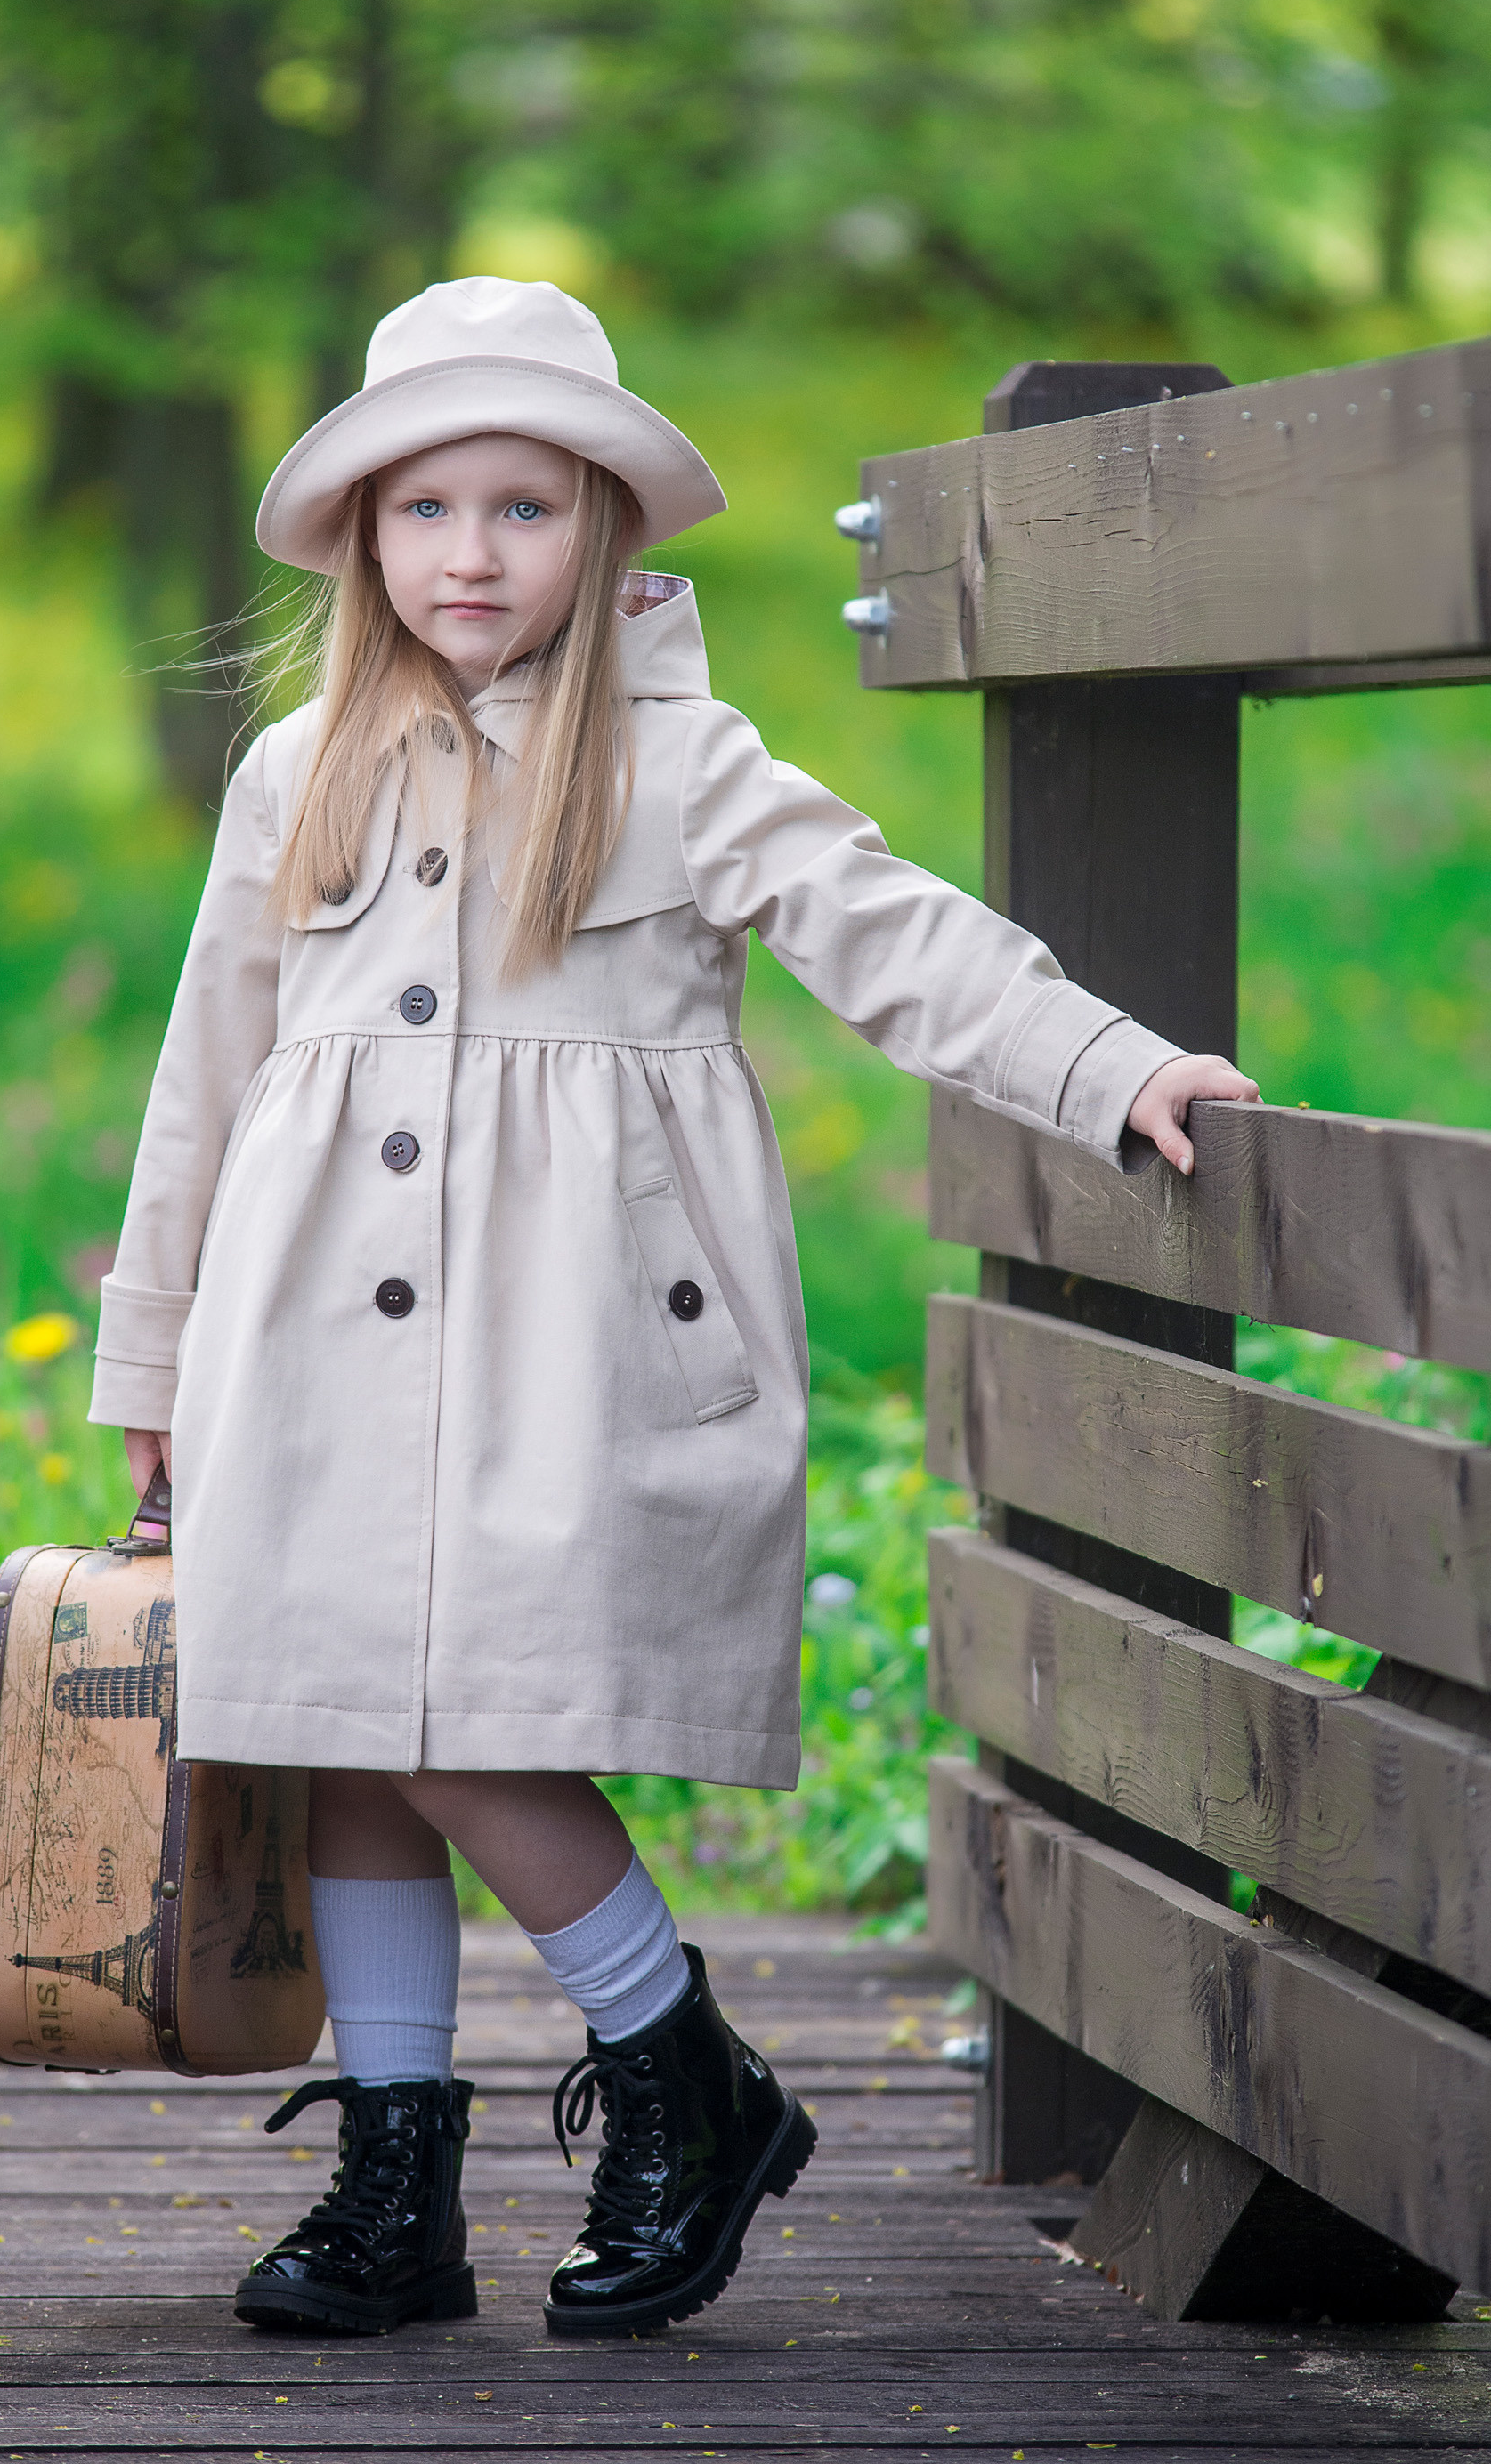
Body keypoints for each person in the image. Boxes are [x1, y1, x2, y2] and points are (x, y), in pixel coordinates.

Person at [88, 275, 1260, 2341]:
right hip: (307, 1345)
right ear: (362, 533)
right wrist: (155, 1359)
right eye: (425, 507)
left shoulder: (678, 766)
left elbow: (896, 936)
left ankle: (676, 2066)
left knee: (476, 1728)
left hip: (565, 1344)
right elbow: (209, 1073)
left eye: (523, 507)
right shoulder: (297, 770)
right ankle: (396, 2180)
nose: (470, 553)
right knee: (346, 1733)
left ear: (602, 526)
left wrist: (1111, 1066)